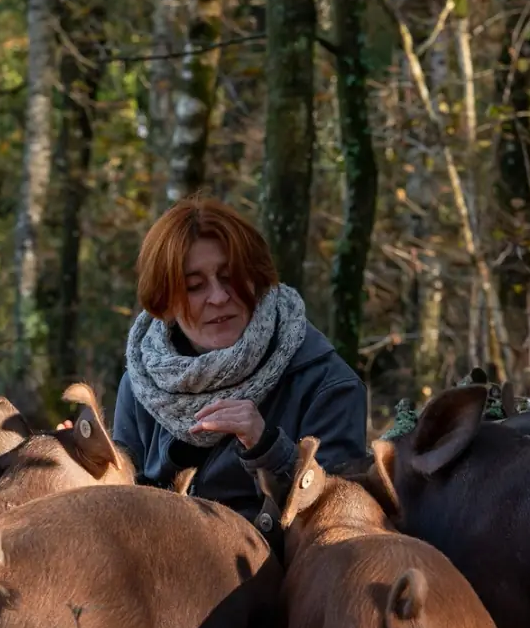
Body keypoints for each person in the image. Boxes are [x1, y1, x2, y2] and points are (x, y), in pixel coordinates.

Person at [112, 197, 368, 524]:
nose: (219, 297)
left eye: (231, 277)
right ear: (165, 303)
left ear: (256, 279)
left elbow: (342, 522)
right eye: (194, 286)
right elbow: (121, 509)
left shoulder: (328, 383)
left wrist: (269, 447)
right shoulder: (140, 382)